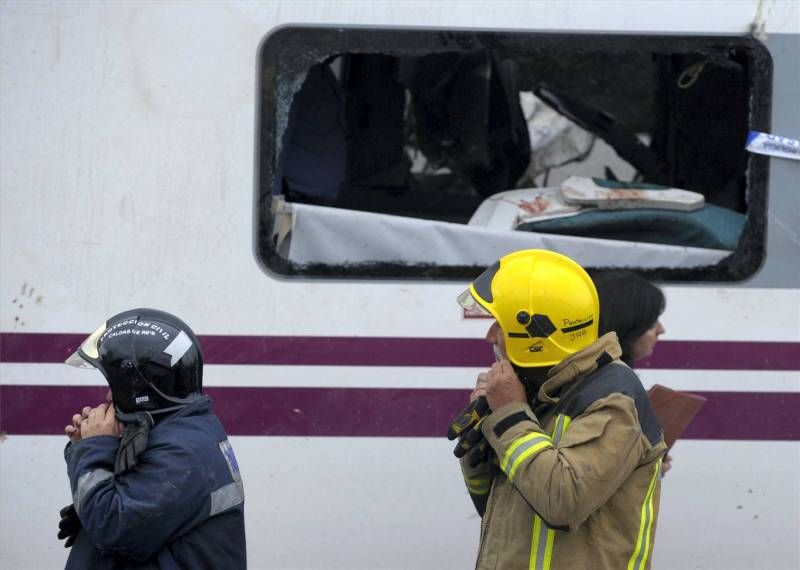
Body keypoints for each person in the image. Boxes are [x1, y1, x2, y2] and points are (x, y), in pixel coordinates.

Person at [454, 249, 666, 570]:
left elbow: (562, 502)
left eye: (500, 324)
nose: (490, 336)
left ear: (534, 333)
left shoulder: (612, 399)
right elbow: (495, 506)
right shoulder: (539, 392)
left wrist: (511, 417)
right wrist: (483, 440)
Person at [57, 308, 246, 569]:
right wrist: (87, 447)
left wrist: (94, 449)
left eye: (114, 386)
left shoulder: (184, 452)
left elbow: (113, 529)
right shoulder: (181, 430)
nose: (109, 397)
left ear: (139, 389)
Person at [592, 269, 672, 475]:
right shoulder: (610, 391)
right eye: (652, 322)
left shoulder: (600, 380)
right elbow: (593, 477)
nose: (661, 330)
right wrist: (645, 469)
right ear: (628, 325)